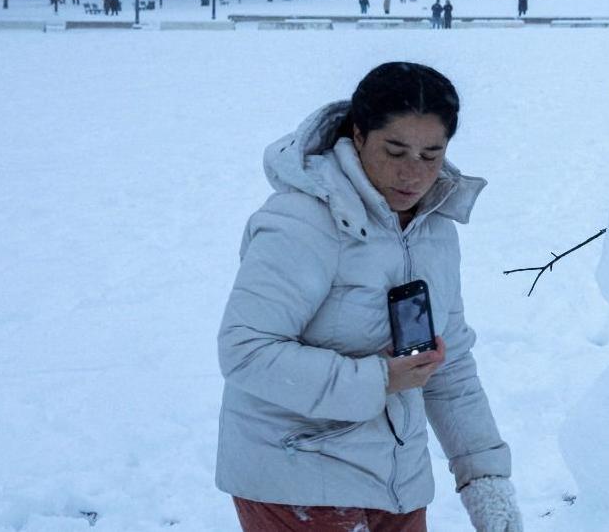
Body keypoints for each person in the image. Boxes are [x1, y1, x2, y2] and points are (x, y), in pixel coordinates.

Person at [216, 62, 523, 532]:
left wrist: (486, 482)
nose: (412, 173)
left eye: (431, 154)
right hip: (295, 477)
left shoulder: (433, 228)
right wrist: (377, 379)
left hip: (396, 482)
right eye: (394, 150)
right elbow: (246, 351)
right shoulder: (301, 221)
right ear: (358, 136)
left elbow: (450, 363)